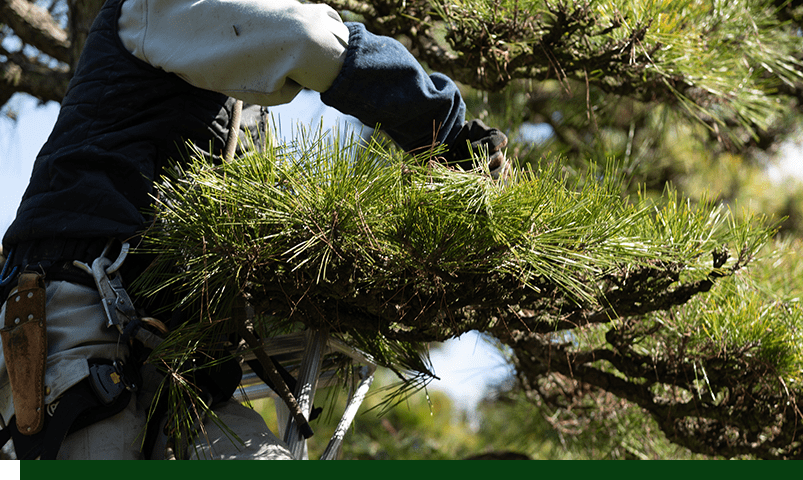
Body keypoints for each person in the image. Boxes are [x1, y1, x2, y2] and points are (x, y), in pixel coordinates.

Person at [0, 0, 508, 460]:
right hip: (85, 326)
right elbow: (305, 37)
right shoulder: (162, 7)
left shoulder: (236, 91)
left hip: (187, 365)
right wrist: (447, 129)